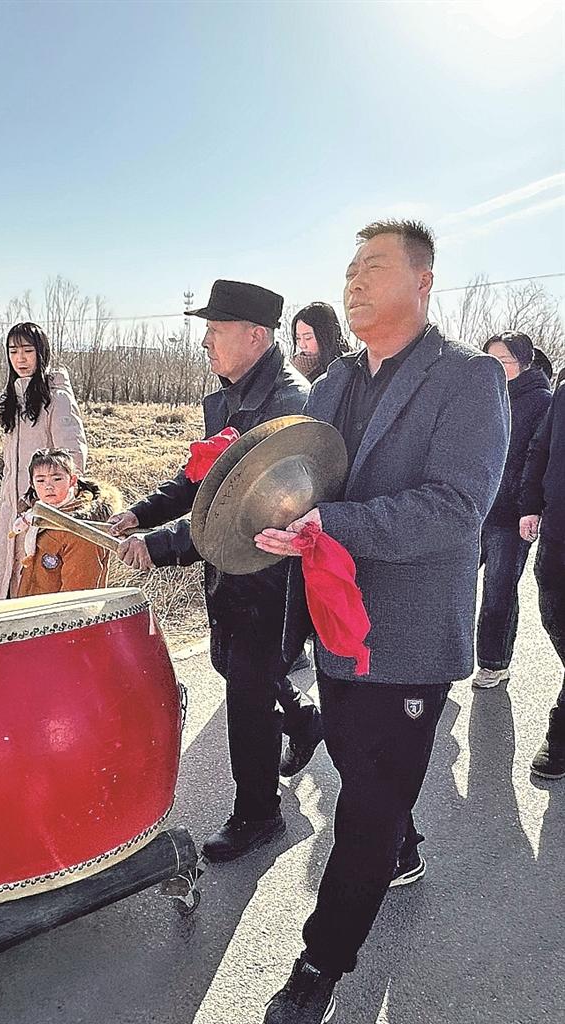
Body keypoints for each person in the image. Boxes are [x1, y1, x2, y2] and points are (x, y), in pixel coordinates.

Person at [254, 219, 510, 1024]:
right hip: (337, 625)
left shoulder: (467, 378)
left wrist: (330, 524)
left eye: (372, 266)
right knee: (362, 771)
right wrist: (277, 517)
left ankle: (320, 962)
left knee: (365, 804)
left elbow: (457, 506)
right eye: (349, 268)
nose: (353, 281)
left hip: (407, 635)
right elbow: (307, 481)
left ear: (422, 282)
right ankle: (401, 842)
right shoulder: (333, 383)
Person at [108, 280, 323, 861]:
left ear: (255, 336)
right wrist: (139, 514)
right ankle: (302, 716)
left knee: (247, 692)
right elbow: (201, 482)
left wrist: (161, 545)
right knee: (230, 664)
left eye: (214, 329)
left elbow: (249, 510)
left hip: (270, 573)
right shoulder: (228, 399)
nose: (204, 341)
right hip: (229, 569)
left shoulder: (289, 405)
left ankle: (259, 814)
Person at [472, 332, 552, 688]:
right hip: (475, 508)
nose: (496, 368)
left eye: (504, 361)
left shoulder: (541, 401)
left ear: (524, 362)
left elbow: (538, 457)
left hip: (510, 515)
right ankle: (446, 656)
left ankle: (494, 662)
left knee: (498, 592)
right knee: (452, 583)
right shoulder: (483, 395)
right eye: (491, 360)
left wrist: (530, 508)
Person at [0, 322, 88, 601]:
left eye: (28, 351)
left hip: (45, 510)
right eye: (13, 351)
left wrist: (48, 499)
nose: (20, 359)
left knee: (39, 585)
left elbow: (73, 457)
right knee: (8, 579)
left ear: (41, 353)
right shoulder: (12, 400)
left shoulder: (56, 398)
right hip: (13, 509)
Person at [519, 375, 565, 779]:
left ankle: (560, 734)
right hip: (558, 536)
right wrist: (530, 503)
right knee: (554, 616)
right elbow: (542, 448)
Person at [11, 448, 122, 598]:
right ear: (32, 484)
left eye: (57, 479)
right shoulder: (36, 516)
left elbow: (77, 595)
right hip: (35, 604)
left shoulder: (81, 529)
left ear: (72, 480)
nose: (48, 486)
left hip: (60, 611)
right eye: (40, 480)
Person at [291, 302, 348, 384]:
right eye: (298, 338)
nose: (302, 345)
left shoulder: (345, 370)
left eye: (308, 338)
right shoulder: (290, 370)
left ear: (326, 336)